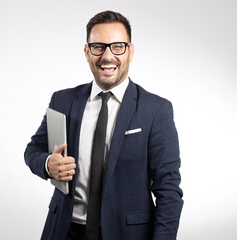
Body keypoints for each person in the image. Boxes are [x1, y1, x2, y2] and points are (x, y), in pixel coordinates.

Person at [24, 10, 183, 240]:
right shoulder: (63, 101)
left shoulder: (156, 110)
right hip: (64, 230)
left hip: (127, 234)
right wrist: (49, 164)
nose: (107, 56)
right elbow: (33, 150)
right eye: (98, 46)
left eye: (117, 46)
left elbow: (168, 190)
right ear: (87, 52)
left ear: (131, 51)